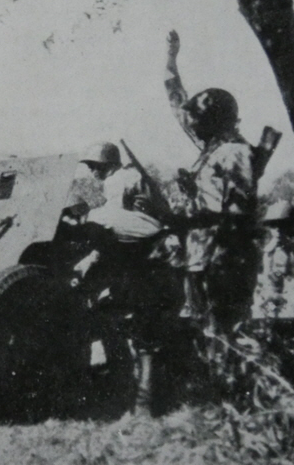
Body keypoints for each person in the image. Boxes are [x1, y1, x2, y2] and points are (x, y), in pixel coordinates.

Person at [69, 141, 179, 416]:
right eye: (91, 168)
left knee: (140, 335)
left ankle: (141, 405)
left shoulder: (121, 181)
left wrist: (87, 266)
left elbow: (114, 224)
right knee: (134, 333)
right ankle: (135, 399)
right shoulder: (127, 179)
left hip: (142, 257)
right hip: (144, 252)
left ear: (110, 165)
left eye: (97, 167)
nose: (94, 173)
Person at [164, 30, 259, 335]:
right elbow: (179, 104)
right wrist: (171, 58)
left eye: (198, 120)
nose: (191, 124)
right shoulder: (213, 147)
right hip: (199, 256)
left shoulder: (234, 152)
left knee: (223, 333)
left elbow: (238, 215)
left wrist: (190, 214)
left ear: (214, 121)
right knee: (205, 333)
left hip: (222, 261)